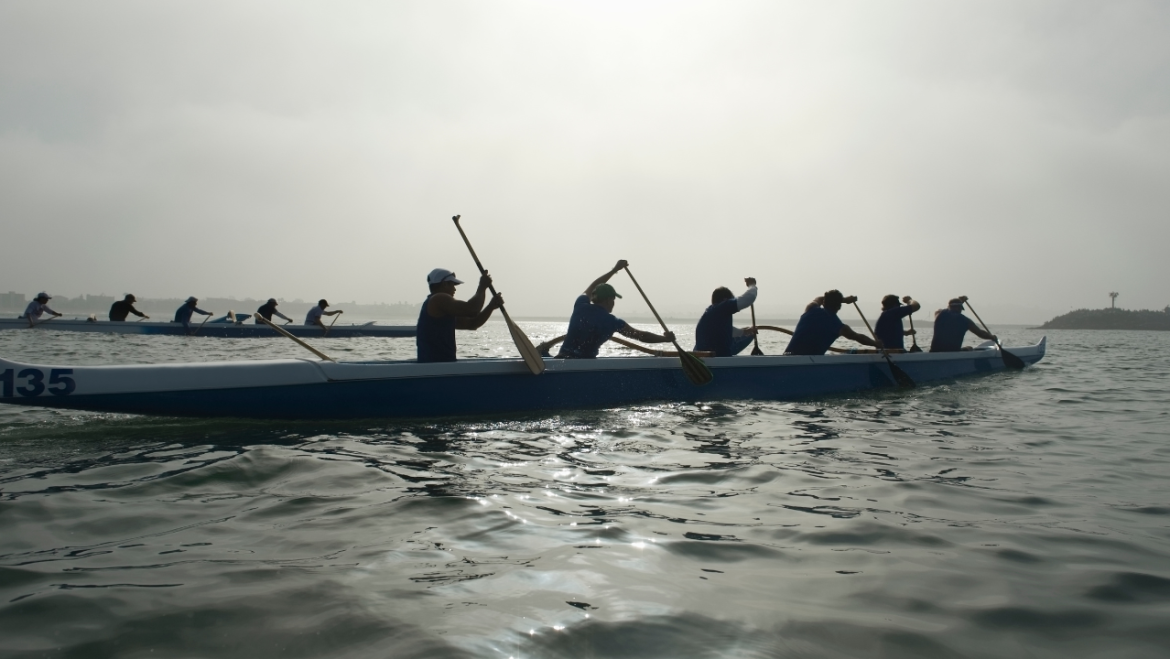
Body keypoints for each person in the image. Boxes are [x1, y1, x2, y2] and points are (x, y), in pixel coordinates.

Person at [555, 260, 675, 359]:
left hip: (561, 359)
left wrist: (614, 270)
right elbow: (641, 336)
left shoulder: (580, 305)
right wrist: (665, 339)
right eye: (613, 299)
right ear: (608, 300)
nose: (613, 303)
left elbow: (591, 287)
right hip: (585, 364)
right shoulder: (613, 322)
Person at [416, 268, 504, 363]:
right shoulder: (438, 299)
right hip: (437, 366)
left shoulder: (441, 308)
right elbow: (472, 309)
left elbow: (472, 323)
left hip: (441, 364)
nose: (454, 289)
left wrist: (490, 307)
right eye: (452, 285)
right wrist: (482, 287)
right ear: (444, 284)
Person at [784, 289, 883, 355]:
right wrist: (876, 344)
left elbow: (818, 298)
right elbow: (859, 337)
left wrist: (843, 300)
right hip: (807, 362)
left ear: (824, 303)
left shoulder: (810, 309)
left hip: (787, 356)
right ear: (839, 306)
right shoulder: (839, 327)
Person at [693, 278, 759, 357]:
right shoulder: (723, 307)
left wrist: (744, 332)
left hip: (702, 358)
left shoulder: (710, 313)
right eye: (731, 300)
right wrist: (752, 285)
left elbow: (724, 330)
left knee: (748, 335)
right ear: (725, 300)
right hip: (717, 358)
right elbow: (749, 298)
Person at [930, 296, 997, 352]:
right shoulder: (965, 320)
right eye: (961, 308)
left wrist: (959, 302)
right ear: (959, 308)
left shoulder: (938, 314)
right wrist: (992, 337)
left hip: (934, 351)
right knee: (969, 348)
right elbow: (981, 334)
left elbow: (942, 310)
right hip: (953, 352)